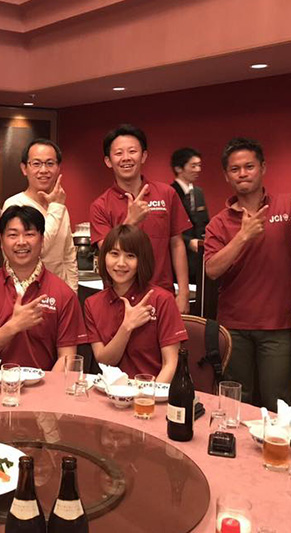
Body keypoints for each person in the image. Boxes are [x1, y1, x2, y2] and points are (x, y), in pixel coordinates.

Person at [204, 138, 291, 409]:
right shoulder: (218, 224)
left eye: (249, 166)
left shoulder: (288, 207)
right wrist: (242, 237)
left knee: (279, 402)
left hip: (279, 325)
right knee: (236, 400)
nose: (242, 174)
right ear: (226, 176)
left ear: (263, 168)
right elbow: (212, 270)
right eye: (235, 169)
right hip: (234, 327)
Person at [0, 205, 87, 371]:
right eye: (13, 235)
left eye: (29, 234)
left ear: (42, 240)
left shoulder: (63, 293)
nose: (21, 242)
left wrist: (48, 388)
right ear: (1, 241)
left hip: (45, 384)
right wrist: (13, 326)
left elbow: (67, 358)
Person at [89, 124, 191, 313]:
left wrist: (183, 293)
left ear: (143, 156)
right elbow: (107, 252)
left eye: (132, 151)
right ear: (108, 161)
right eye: (118, 153)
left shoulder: (166, 194)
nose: (126, 158)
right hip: (118, 300)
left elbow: (177, 244)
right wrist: (131, 220)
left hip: (162, 296)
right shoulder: (100, 205)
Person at [84, 225, 186, 383]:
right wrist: (127, 326)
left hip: (153, 391)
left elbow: (171, 364)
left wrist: (149, 396)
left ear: (142, 260)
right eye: (114, 254)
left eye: (130, 256)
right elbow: (105, 361)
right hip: (110, 391)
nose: (121, 263)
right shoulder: (92, 304)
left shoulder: (162, 300)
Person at [2, 138, 78, 292]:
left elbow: (69, 257)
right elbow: (39, 249)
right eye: (36, 164)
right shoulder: (15, 205)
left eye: (50, 163)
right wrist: (56, 207)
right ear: (24, 168)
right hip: (27, 292)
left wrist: (72, 292)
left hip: (60, 291)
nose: (43, 170)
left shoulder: (60, 207)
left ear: (58, 168)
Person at [169, 147, 208, 286]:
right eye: (193, 166)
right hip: (178, 259)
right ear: (179, 168)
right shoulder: (170, 192)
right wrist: (188, 242)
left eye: (199, 165)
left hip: (198, 260)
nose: (198, 169)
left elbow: (205, 223)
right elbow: (167, 229)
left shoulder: (198, 193)